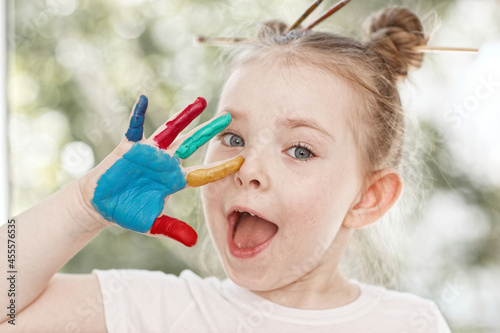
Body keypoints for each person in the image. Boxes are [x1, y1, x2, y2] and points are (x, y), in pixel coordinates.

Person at [0, 6, 451, 332]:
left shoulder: (410, 323)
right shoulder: (153, 310)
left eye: (299, 150)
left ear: (367, 197)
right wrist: (82, 207)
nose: (248, 168)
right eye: (233, 139)